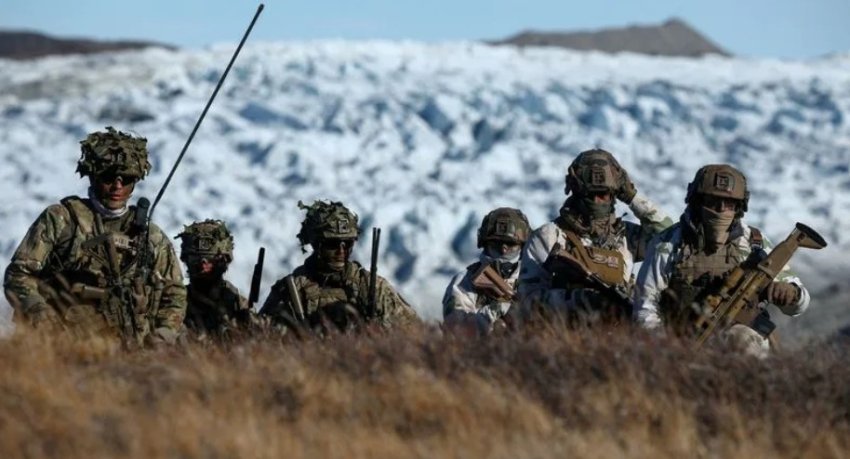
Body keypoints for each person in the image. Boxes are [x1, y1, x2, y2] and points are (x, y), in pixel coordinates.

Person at [3, 127, 186, 346]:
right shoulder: (62, 219)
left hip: (133, 351)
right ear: (92, 175)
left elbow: (174, 292)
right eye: (108, 177)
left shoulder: (151, 236)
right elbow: (18, 274)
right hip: (61, 346)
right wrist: (40, 314)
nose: (117, 186)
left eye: (126, 179)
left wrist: (163, 333)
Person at [633, 164, 810, 357]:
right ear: (697, 202)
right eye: (712, 202)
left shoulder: (754, 243)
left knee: (746, 342)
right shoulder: (668, 243)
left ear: (739, 207)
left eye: (729, 204)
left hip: (739, 340)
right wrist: (667, 348)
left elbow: (799, 305)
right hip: (681, 341)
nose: (721, 210)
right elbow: (645, 306)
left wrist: (791, 294)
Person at [518, 148, 673, 324]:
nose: (598, 201)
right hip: (564, 338)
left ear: (615, 194)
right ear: (577, 192)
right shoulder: (549, 236)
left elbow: (670, 237)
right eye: (591, 194)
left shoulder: (628, 237)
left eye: (604, 194)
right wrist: (577, 299)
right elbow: (527, 301)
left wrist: (632, 197)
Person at [260, 200, 419, 333]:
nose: (341, 251)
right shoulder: (292, 289)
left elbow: (415, 331)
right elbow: (264, 338)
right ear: (317, 244)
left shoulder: (372, 287)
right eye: (332, 244)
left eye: (347, 243)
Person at [442, 207, 530, 335]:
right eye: (496, 244)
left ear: (522, 246)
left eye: (511, 245)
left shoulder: (533, 277)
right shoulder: (464, 282)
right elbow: (456, 328)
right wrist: (496, 311)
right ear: (485, 244)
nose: (504, 250)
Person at [176, 219, 259, 339]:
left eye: (210, 259)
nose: (203, 265)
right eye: (196, 259)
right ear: (186, 260)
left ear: (224, 260)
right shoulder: (175, 302)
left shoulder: (237, 303)